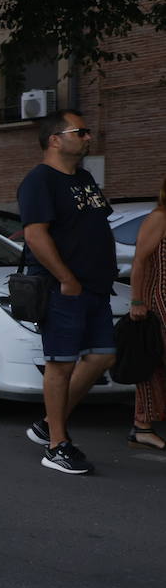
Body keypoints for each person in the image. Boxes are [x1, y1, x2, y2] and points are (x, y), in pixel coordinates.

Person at [17, 110, 117, 474]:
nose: (89, 137)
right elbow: (35, 235)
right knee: (60, 364)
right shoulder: (39, 181)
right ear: (55, 139)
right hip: (63, 289)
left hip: (96, 288)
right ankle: (57, 445)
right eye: (81, 131)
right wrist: (66, 279)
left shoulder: (85, 178)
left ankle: (47, 423)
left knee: (103, 356)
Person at [126, 176, 166, 450]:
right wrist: (137, 300)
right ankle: (142, 426)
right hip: (160, 304)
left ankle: (142, 426)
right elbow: (139, 261)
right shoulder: (160, 218)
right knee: (153, 365)